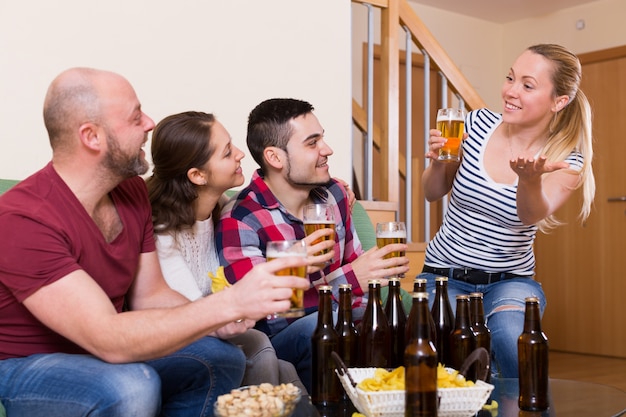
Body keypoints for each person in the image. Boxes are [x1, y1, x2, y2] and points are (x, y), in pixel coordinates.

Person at [0, 68, 309, 417]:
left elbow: (151, 296)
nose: (149, 123)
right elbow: (106, 337)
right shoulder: (22, 217)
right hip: (22, 364)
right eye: (135, 117)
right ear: (92, 137)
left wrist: (219, 321)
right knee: (132, 385)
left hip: (99, 350)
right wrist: (228, 304)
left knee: (221, 357)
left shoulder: (131, 192)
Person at [419, 44, 595, 378]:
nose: (511, 91)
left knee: (514, 345)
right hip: (443, 273)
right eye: (510, 78)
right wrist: (442, 161)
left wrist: (529, 181)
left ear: (559, 101)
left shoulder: (566, 157)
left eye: (527, 85)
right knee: (436, 350)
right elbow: (432, 192)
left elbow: (530, 216)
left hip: (510, 282)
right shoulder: (474, 123)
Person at [216, 98, 410, 392]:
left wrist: (375, 325)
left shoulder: (333, 194)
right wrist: (350, 280)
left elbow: (358, 277)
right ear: (275, 158)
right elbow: (266, 309)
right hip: (282, 339)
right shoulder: (242, 218)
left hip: (338, 326)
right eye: (312, 143)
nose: (327, 150)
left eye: (323, 138)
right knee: (319, 326)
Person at [145, 110, 306, 393]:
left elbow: (269, 196)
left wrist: (329, 186)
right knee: (258, 347)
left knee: (285, 368)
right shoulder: (162, 232)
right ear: (197, 175)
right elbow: (191, 309)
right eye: (227, 152)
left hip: (216, 326)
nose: (241, 154)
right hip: (180, 333)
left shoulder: (220, 208)